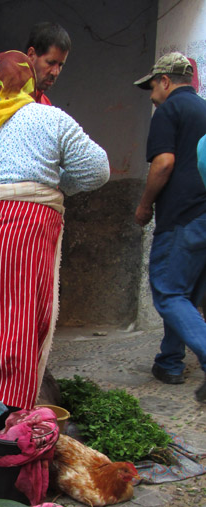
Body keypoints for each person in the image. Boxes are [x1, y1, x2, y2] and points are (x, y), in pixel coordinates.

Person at [0, 50, 109, 411]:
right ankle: (14, 410)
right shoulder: (50, 119)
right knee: (20, 316)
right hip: (27, 230)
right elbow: (97, 170)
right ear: (29, 82)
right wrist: (52, 187)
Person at [133, 53, 206, 402]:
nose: (150, 94)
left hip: (183, 216)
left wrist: (145, 205)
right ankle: (170, 362)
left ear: (165, 81)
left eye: (152, 86)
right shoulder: (205, 109)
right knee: (188, 294)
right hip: (204, 215)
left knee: (168, 291)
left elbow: (163, 164)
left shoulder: (168, 112)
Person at [25, 21, 71, 105]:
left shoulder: (46, 104)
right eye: (50, 63)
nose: (55, 72)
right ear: (31, 55)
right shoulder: (5, 97)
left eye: (60, 65)